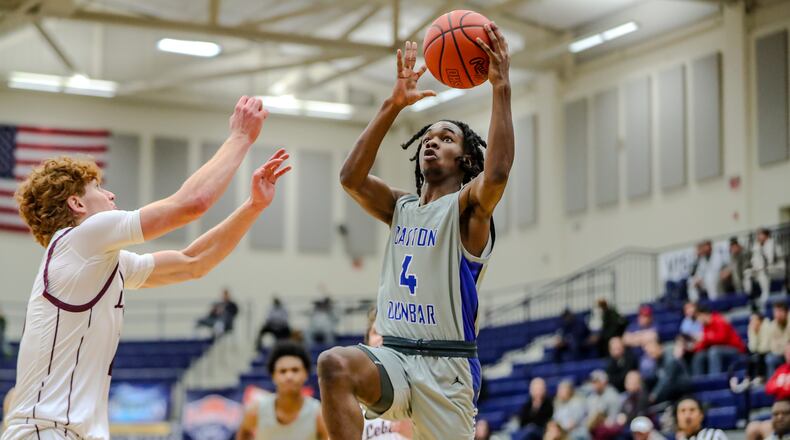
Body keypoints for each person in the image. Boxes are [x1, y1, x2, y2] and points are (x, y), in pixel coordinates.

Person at [2, 96, 291, 440]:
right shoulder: (78, 239)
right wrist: (240, 138)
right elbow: (189, 205)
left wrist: (253, 206)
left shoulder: (100, 261)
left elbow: (192, 263)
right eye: (99, 189)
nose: (111, 196)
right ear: (76, 203)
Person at [317, 25, 514, 440]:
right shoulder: (400, 207)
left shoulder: (467, 211)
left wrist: (500, 87)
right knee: (334, 364)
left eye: (446, 138)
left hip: (447, 370)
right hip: (395, 354)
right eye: (428, 136)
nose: (431, 142)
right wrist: (392, 104)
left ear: (464, 159)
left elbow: (496, 172)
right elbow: (350, 177)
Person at [236, 342, 328, 440]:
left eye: (295, 370)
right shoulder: (256, 410)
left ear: (305, 374)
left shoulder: (318, 413)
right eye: (283, 371)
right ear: (273, 376)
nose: (289, 376)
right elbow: (244, 432)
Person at [362, 308, 412, 440]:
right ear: (367, 344)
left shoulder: (426, 392)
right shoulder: (354, 400)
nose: (383, 338)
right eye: (377, 332)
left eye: (390, 332)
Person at [692, 305, 746, 375]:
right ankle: (698, 381)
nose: (698, 320)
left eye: (698, 317)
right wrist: (694, 348)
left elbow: (722, 338)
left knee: (714, 351)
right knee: (699, 355)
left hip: (735, 348)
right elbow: (704, 343)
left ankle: (713, 379)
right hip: (719, 349)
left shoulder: (719, 320)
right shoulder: (705, 326)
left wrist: (705, 337)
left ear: (703, 314)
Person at [745, 228, 786, 303]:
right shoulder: (756, 246)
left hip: (778, 268)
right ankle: (749, 296)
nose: (758, 237)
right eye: (758, 235)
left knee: (763, 273)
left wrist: (763, 267)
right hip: (763, 269)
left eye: (760, 234)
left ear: (766, 235)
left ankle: (765, 294)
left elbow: (774, 259)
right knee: (747, 273)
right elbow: (754, 260)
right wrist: (755, 268)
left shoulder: (773, 243)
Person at [643, 340, 690, 405]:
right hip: (671, 386)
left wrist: (655, 394)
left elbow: (667, 378)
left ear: (659, 347)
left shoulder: (670, 358)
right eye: (648, 353)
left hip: (681, 385)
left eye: (651, 352)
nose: (650, 355)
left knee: (665, 387)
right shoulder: (657, 360)